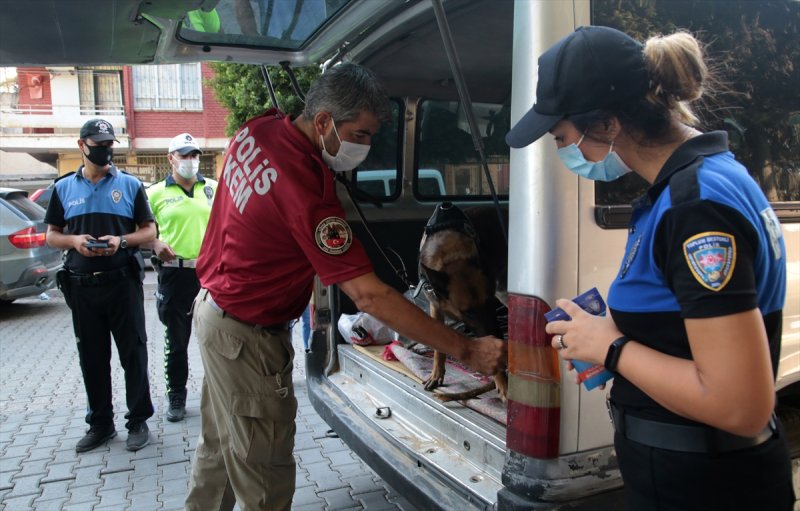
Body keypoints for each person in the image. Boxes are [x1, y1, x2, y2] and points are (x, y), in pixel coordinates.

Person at [185, 63, 506, 511]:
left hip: (214, 313)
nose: (367, 147)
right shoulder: (308, 190)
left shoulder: (257, 131)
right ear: (323, 122)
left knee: (219, 450)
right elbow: (369, 296)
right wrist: (468, 350)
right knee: (264, 481)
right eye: (361, 134)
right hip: (248, 339)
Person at [506, 26, 793, 510]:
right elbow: (689, 325)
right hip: (694, 476)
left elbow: (741, 405)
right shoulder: (700, 181)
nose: (561, 152)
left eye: (561, 137)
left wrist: (612, 347)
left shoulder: (694, 207)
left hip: (706, 487)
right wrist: (613, 332)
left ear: (608, 123)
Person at [45, 118, 156, 453]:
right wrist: (74, 241)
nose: (105, 150)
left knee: (133, 353)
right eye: (98, 144)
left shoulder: (130, 185)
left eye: (109, 144)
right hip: (82, 289)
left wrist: (120, 241)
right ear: (82, 146)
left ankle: (137, 420)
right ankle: (101, 424)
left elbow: (149, 232)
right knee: (92, 358)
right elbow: (51, 236)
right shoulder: (63, 188)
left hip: (122, 284)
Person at [144, 133, 217, 422]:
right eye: (184, 155)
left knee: (218, 336)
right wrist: (154, 244)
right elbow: (143, 229)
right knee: (177, 339)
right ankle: (176, 395)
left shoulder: (213, 188)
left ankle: (221, 394)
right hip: (176, 275)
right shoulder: (155, 193)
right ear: (170, 158)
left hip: (211, 273)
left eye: (194, 155)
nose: (190, 161)